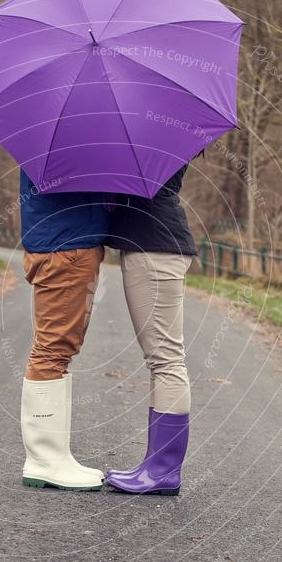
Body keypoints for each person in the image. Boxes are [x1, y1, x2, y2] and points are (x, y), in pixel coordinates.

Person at [104, 165, 197, 495]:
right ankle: (155, 465)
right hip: (152, 244)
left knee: (166, 360)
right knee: (163, 361)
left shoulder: (151, 143)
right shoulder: (151, 136)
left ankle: (163, 470)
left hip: (155, 248)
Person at [19, 168, 109, 491]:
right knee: (52, 349)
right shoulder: (74, 134)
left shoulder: (56, 131)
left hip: (64, 239)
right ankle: (45, 460)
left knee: (57, 349)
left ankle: (54, 455)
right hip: (65, 242)